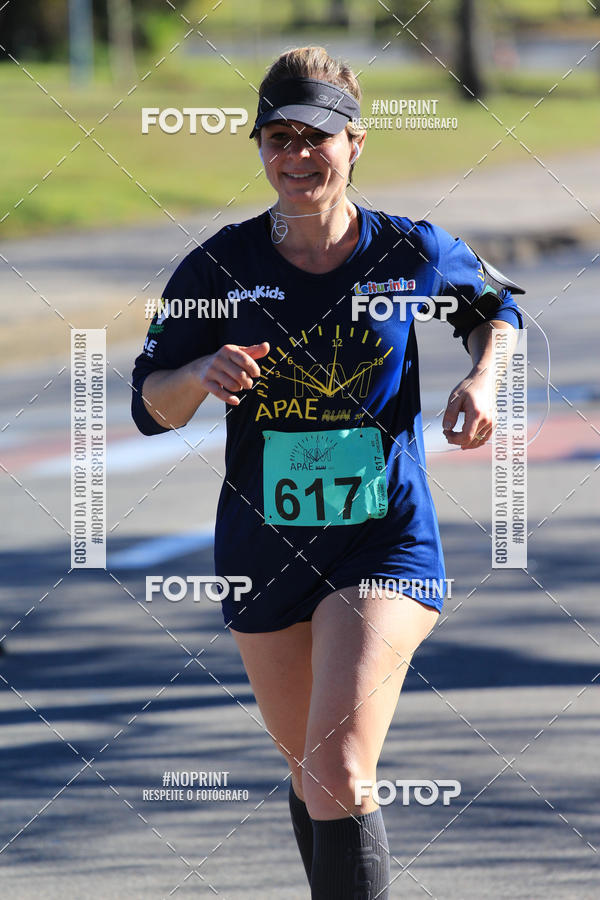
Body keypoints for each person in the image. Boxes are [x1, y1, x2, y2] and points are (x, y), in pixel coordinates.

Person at [131, 46, 524, 899]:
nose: (297, 155)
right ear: (260, 147)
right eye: (279, 137)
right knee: (314, 771)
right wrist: (197, 376)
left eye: (318, 136)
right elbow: (148, 402)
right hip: (263, 548)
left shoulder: (408, 251)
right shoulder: (217, 270)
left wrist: (482, 376)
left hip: (383, 543)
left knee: (338, 766)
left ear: (356, 144)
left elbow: (497, 307)